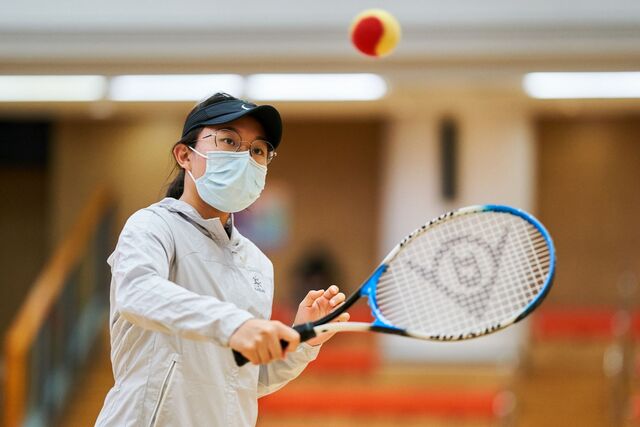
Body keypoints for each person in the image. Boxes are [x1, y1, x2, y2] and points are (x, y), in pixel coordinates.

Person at [95, 92, 349, 426]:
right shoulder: (152, 226)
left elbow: (246, 378)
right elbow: (137, 293)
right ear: (185, 155)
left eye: (257, 150)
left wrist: (305, 338)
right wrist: (235, 325)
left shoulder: (257, 263)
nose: (245, 158)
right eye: (229, 140)